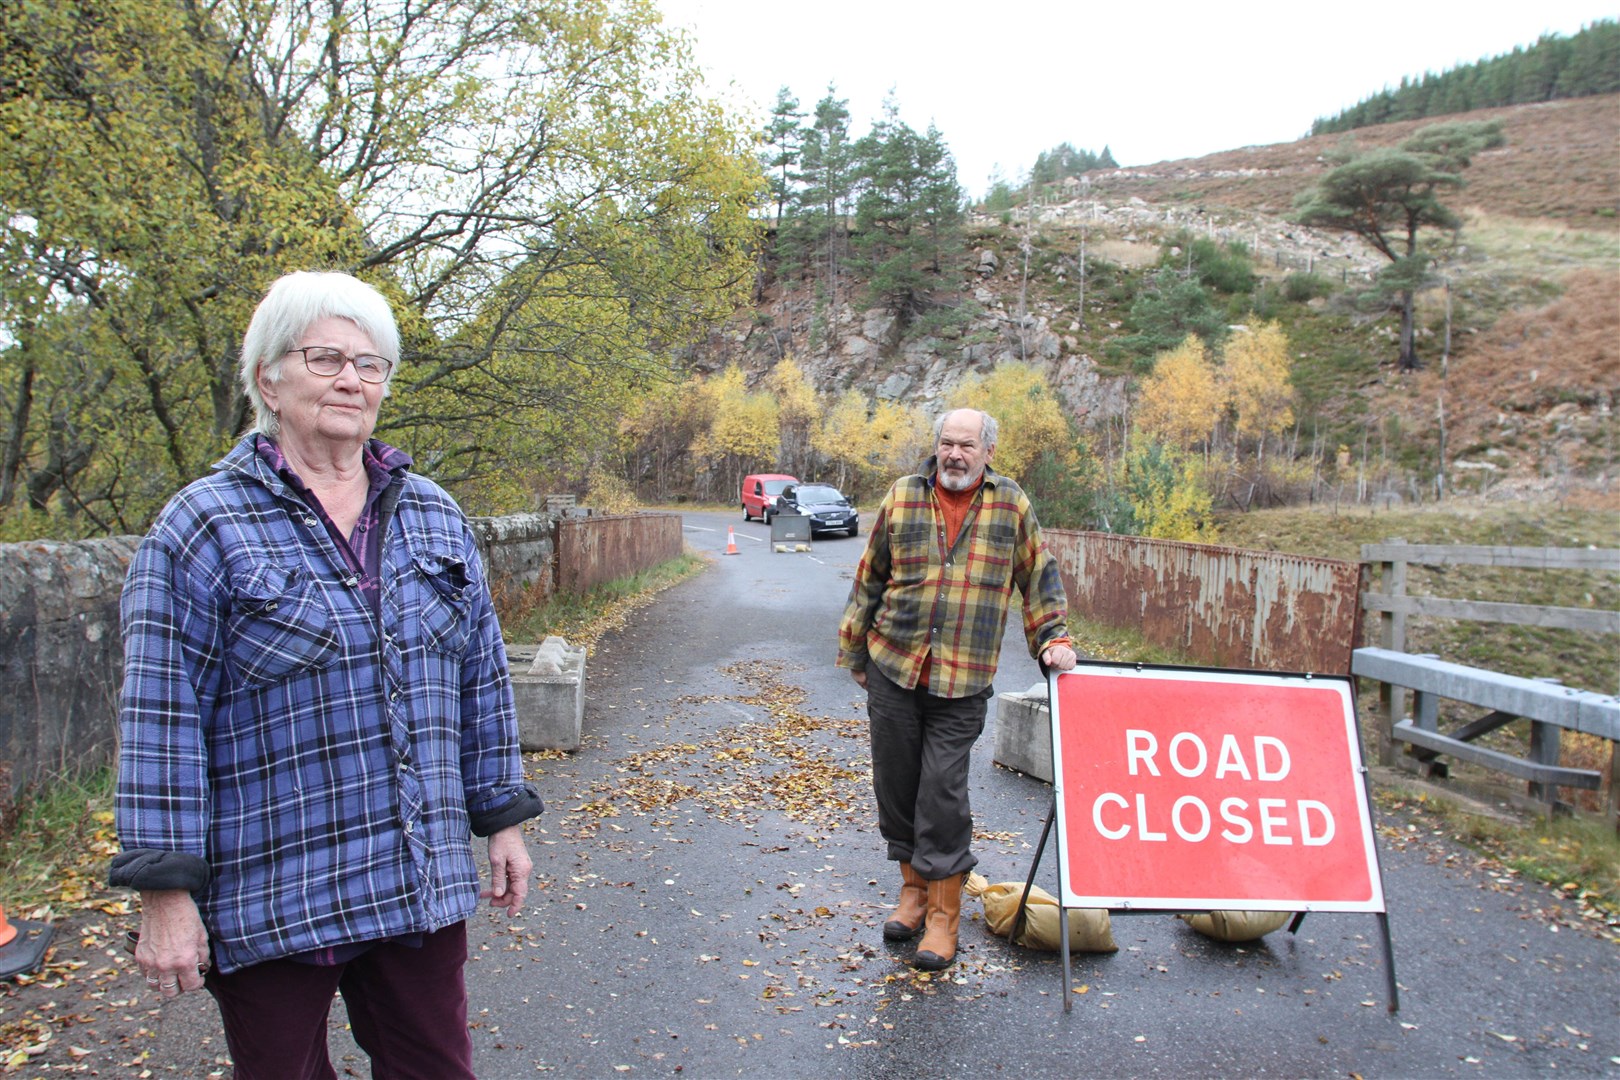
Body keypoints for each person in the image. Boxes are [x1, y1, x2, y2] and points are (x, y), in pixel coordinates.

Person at [110, 270, 542, 1078]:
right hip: (273, 887)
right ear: (268, 379)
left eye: (370, 364)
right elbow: (159, 720)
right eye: (325, 358)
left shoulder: (435, 516)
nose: (352, 378)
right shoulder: (203, 525)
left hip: (417, 883)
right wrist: (164, 894)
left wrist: (503, 819)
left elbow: (480, 682)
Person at [837, 407, 1077, 971]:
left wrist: (1052, 638)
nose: (955, 455)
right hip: (894, 666)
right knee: (895, 785)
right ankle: (913, 894)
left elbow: (1038, 576)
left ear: (988, 452)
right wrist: (853, 648)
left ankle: (944, 917)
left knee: (942, 789)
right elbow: (870, 574)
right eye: (947, 443)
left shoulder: (1011, 504)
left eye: (967, 446)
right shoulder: (902, 494)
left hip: (963, 678)